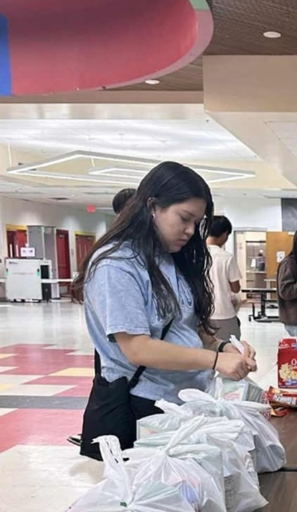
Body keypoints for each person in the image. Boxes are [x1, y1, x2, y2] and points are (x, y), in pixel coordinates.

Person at [71, 161, 256, 448]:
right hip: (145, 406)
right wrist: (217, 361)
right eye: (184, 218)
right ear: (152, 206)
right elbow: (138, 348)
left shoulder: (169, 257)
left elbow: (184, 324)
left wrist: (222, 346)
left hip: (184, 400)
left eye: (196, 223)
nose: (190, 231)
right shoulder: (117, 264)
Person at [207, 214, 242, 341]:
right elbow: (236, 288)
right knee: (230, 350)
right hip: (224, 313)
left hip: (202, 314)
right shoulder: (227, 257)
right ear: (224, 234)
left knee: (207, 352)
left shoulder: (196, 256)